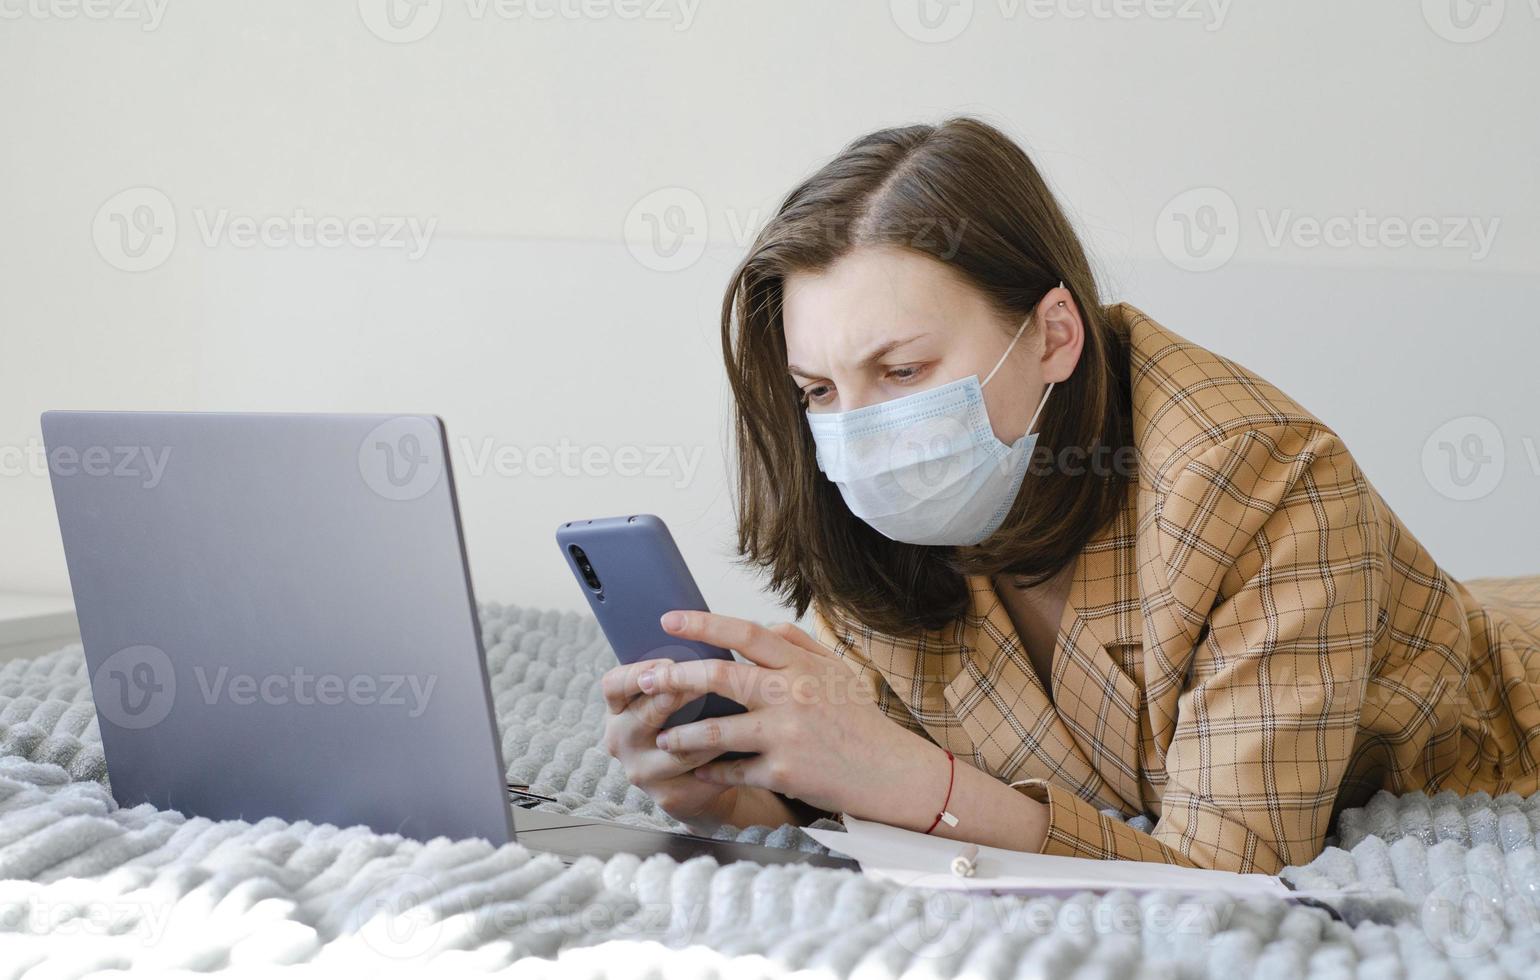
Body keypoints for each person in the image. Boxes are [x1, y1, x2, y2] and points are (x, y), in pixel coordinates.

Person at [598, 116, 1540, 873]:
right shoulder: (885, 520)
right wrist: (737, 789)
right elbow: (863, 755)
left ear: (1054, 335)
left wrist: (927, 789)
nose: (858, 433)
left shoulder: (1264, 481)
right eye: (820, 390)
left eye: (904, 370)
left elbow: (1231, 868)